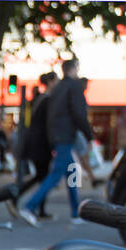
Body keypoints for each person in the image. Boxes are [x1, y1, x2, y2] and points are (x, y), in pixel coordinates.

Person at [21, 59, 94, 227]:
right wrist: (88, 136)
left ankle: (76, 213)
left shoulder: (58, 89)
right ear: (74, 69)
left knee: (71, 174)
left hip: (57, 137)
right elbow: (78, 113)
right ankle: (29, 206)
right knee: (56, 176)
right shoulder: (73, 87)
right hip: (65, 137)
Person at [19, 72, 58, 218]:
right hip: (41, 145)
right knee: (44, 177)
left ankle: (35, 206)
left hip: (36, 144)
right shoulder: (47, 100)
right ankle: (22, 199)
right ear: (50, 82)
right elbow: (49, 125)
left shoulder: (40, 99)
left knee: (41, 176)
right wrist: (54, 144)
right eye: (56, 80)